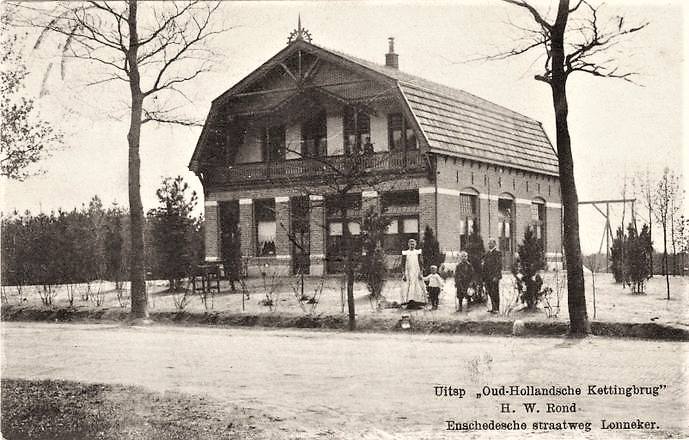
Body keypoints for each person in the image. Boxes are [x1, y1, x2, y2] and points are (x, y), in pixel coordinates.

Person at [401, 239, 426, 308]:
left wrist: (420, 273)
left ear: (415, 244)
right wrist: (404, 274)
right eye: (410, 244)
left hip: (416, 271)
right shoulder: (405, 253)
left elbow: (421, 263)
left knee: (417, 285)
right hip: (408, 272)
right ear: (408, 244)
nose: (412, 246)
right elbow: (402, 264)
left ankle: (417, 303)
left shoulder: (418, 252)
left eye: (413, 244)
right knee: (407, 286)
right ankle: (409, 302)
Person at [482, 238, 502, 314]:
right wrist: (484, 277)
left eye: (491, 243)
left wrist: (496, 276)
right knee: (490, 292)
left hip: (494, 277)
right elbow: (485, 266)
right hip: (487, 277)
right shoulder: (487, 253)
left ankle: (497, 308)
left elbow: (498, 265)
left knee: (495, 292)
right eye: (488, 243)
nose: (489, 244)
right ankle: (493, 307)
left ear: (494, 244)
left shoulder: (497, 253)